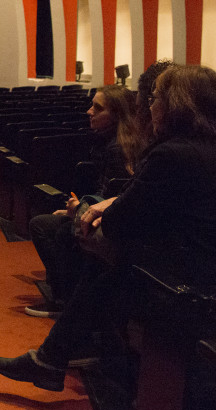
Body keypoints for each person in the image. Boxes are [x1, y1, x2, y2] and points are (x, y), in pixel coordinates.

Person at [0, 66, 216, 391]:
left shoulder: (173, 154)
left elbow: (117, 223)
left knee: (101, 247)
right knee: (114, 260)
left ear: (173, 106)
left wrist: (87, 213)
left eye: (153, 99)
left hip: (196, 293)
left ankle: (59, 355)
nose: (148, 107)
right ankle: (57, 356)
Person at [25, 85, 140, 317]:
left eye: (97, 108)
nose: (89, 112)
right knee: (47, 223)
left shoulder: (116, 149)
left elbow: (112, 198)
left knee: (48, 228)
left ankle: (66, 301)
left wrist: (78, 210)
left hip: (105, 223)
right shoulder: (111, 141)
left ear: (116, 114)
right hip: (99, 215)